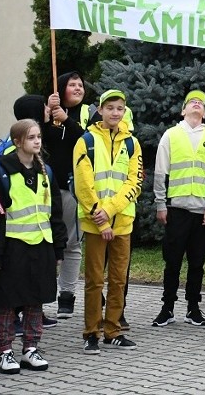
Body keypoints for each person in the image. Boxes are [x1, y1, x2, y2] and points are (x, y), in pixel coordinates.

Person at [0, 119, 67, 374]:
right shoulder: (2, 172)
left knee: (35, 299)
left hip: (41, 245)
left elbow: (55, 213)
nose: (37, 141)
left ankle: (31, 347)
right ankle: (4, 351)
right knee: (7, 301)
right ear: (17, 142)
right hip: (12, 247)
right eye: (31, 138)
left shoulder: (46, 172)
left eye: (38, 137)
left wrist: (58, 248)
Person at [74, 90, 143, 355]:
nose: (115, 113)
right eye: (110, 108)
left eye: (120, 108)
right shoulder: (86, 141)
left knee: (118, 280)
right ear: (100, 110)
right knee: (94, 281)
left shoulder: (132, 143)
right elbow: (83, 184)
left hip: (122, 221)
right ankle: (91, 331)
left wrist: (111, 210)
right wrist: (100, 218)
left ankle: (113, 330)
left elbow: (134, 181)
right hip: (95, 224)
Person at [152, 91, 205, 327]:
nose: (196, 104)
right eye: (192, 101)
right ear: (183, 111)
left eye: (201, 102)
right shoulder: (171, 135)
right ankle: (167, 308)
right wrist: (161, 204)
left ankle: (193, 308)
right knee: (172, 262)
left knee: (197, 263)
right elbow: (161, 172)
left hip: (200, 211)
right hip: (176, 210)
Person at [45, 71, 89, 319]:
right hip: (45, 191)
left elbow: (92, 140)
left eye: (80, 84)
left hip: (72, 189)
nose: (77, 88)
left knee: (72, 244)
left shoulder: (88, 112)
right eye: (72, 84)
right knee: (45, 245)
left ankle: (67, 295)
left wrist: (68, 121)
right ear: (60, 88)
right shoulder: (46, 111)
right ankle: (39, 297)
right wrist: (49, 114)